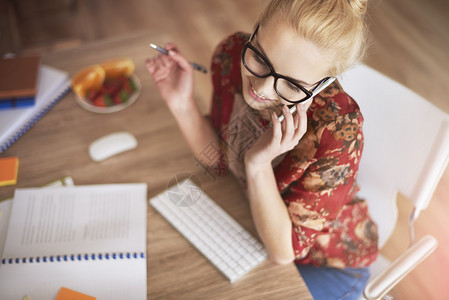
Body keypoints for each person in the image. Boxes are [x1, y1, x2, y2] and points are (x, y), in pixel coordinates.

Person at [146, 0, 378, 298]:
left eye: (293, 86)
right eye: (260, 59)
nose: (262, 89)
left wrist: (258, 163)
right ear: (256, 28)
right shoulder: (231, 55)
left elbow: (283, 252)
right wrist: (181, 103)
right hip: (252, 224)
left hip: (328, 264)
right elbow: (221, 162)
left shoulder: (337, 131)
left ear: (323, 84)